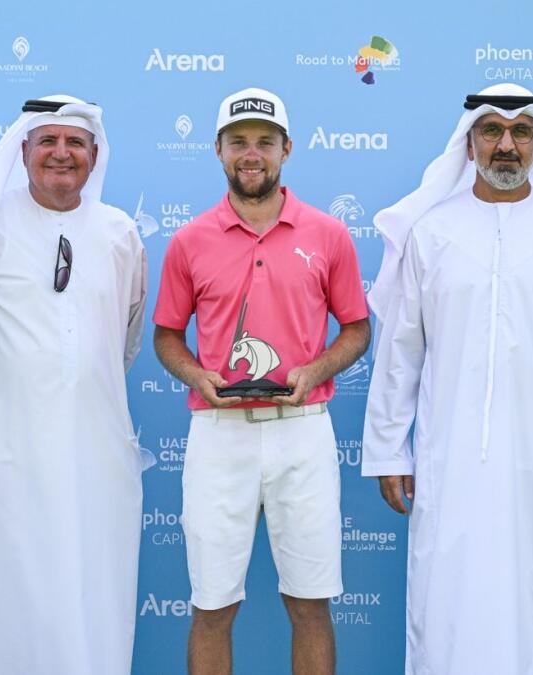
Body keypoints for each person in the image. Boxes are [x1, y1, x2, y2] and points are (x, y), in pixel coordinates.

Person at [362, 82, 533, 674]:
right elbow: (400, 352)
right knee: (448, 602)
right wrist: (390, 450)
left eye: (520, 132)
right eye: (491, 131)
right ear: (469, 145)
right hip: (451, 457)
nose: (505, 145)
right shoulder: (432, 232)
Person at [0, 96, 151, 675]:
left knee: (91, 592)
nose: (61, 153)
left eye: (75, 143)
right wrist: (20, 382)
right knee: (8, 594)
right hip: (9, 449)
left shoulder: (120, 232)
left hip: (95, 452)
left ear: (94, 155)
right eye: (47, 141)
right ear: (23, 151)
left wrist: (74, 383)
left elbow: (122, 339)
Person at [153, 87, 370, 675]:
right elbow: (167, 336)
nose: (253, 154)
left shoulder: (328, 234)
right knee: (212, 605)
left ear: (287, 150)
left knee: (310, 602)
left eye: (265, 143)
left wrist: (315, 370)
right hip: (218, 436)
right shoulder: (189, 241)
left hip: (303, 431)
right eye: (240, 142)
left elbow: (356, 328)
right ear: (219, 151)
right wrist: (198, 374)